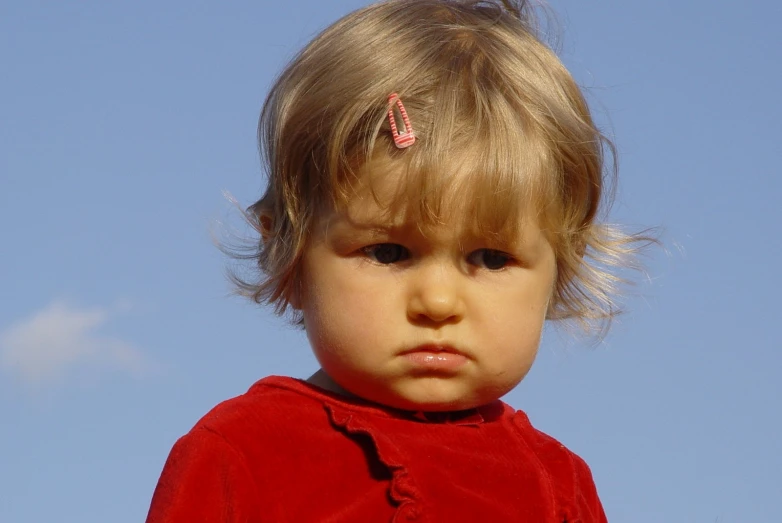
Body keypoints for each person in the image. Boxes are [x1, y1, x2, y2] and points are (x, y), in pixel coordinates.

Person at [146, 0, 650, 521]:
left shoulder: (559, 485)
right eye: (388, 252)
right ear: (289, 254)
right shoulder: (243, 453)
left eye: (491, 258)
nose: (437, 301)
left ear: (560, 272)